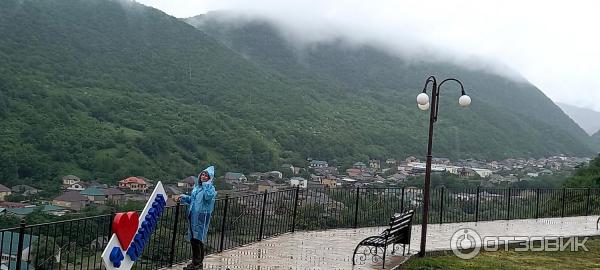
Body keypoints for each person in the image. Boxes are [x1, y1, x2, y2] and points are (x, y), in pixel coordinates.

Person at [176, 166, 217, 270]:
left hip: (202, 216)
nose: (203, 177)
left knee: (199, 239)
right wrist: (183, 197)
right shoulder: (197, 187)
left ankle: (198, 264)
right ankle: (195, 262)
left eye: (206, 175)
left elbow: (208, 197)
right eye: (202, 174)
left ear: (210, 178)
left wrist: (206, 185)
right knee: (193, 239)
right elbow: (193, 200)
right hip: (193, 215)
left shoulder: (210, 189)